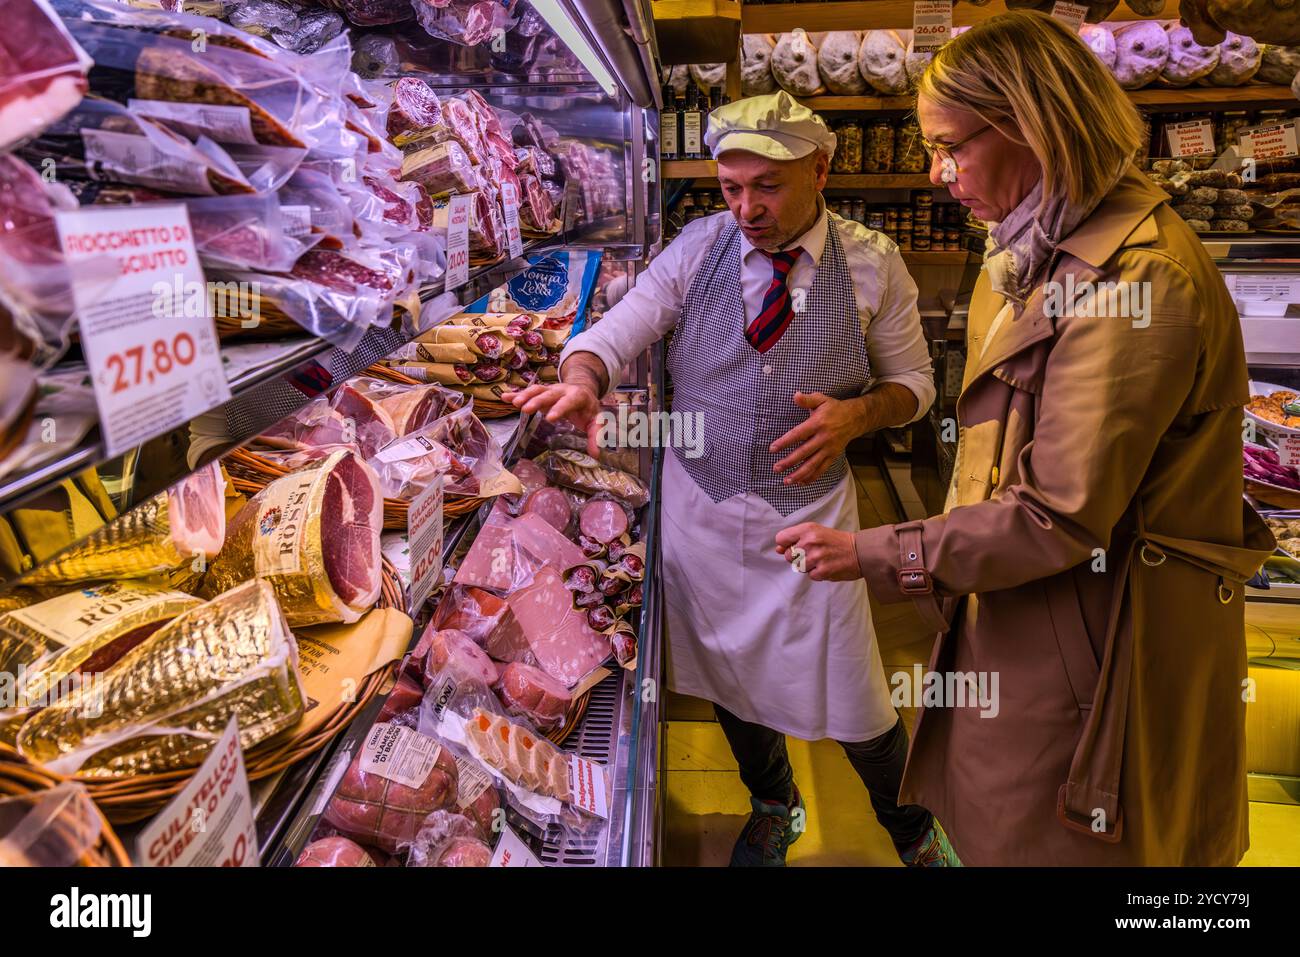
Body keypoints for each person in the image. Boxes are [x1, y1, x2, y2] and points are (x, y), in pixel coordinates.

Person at [776, 11, 1277, 866]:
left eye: (951, 147)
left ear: (1030, 125)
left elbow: (1057, 515)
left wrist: (872, 551)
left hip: (1100, 651)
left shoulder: (1136, 280)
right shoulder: (1032, 251)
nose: (938, 175)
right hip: (1040, 629)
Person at [506, 91, 958, 866]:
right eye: (731, 187)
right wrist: (583, 374)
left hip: (811, 517)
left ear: (820, 170)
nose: (747, 207)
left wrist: (858, 415)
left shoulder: (872, 261)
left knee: (856, 696)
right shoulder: (697, 248)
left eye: (768, 187)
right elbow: (620, 327)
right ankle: (774, 803)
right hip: (702, 509)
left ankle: (915, 833)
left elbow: (916, 385)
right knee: (727, 677)